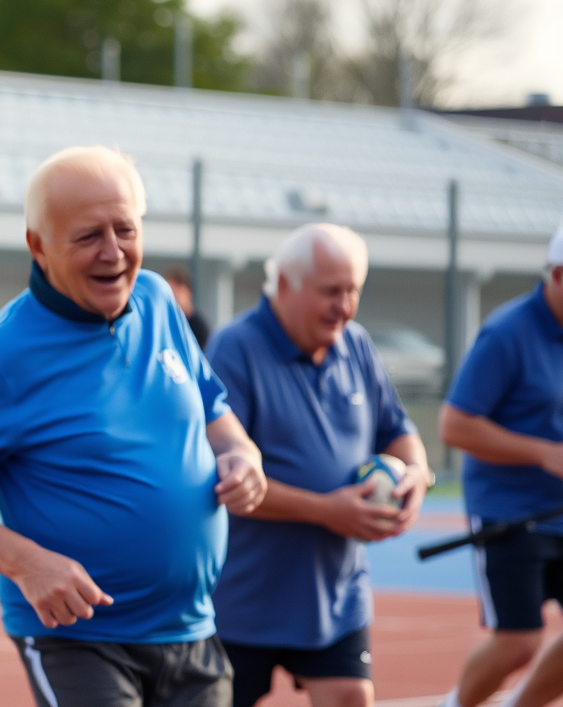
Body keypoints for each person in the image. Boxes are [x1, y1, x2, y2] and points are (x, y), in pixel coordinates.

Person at [0, 146, 267, 707]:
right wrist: (26, 564)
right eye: (88, 236)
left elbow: (214, 411)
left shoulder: (159, 299)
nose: (114, 252)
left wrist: (244, 455)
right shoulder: (3, 359)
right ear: (38, 246)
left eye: (125, 229)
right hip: (80, 640)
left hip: (193, 631)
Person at [205, 224, 432, 707]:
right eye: (332, 291)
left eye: (353, 291)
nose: (344, 306)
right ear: (285, 285)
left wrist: (415, 473)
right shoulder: (235, 348)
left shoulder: (357, 345)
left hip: (335, 596)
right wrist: (325, 509)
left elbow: (399, 430)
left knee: (352, 697)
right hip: (244, 600)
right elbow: (223, 475)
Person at [436, 225, 563, 707]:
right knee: (518, 641)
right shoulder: (508, 334)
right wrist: (543, 452)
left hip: (560, 510)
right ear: (557, 275)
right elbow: (455, 425)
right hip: (509, 513)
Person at [164, 265, 212, 350]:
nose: (173, 299)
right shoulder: (166, 322)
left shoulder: (199, 326)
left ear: (187, 292)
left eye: (176, 293)